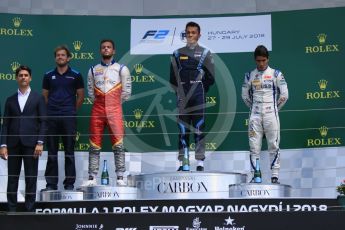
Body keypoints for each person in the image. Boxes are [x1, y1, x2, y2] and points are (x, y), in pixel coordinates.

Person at [82, 39, 131, 186]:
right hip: (97, 109)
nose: (106, 49)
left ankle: (120, 177)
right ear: (100, 50)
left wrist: (113, 103)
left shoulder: (122, 68)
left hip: (115, 109)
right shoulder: (92, 69)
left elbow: (127, 92)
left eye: (109, 47)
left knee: (118, 145)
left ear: (113, 51)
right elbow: (90, 92)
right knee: (94, 144)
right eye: (103, 47)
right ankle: (92, 177)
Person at [0, 65, 47, 212]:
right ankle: (12, 209)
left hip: (32, 144)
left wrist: (40, 142)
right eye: (20, 75)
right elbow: (5, 124)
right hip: (13, 144)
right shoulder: (10, 100)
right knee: (12, 178)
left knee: (31, 178)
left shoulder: (38, 98)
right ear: (16, 78)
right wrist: (3, 145)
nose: (23, 77)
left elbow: (43, 122)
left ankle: (30, 209)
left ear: (30, 78)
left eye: (26, 75)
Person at [170, 21, 215, 172]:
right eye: (188, 32)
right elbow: (172, 78)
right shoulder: (177, 53)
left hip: (198, 96)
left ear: (199, 35)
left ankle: (200, 162)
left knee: (199, 128)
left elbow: (211, 78)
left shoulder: (205, 53)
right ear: (185, 34)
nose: (190, 35)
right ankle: (183, 161)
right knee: (183, 129)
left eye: (193, 32)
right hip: (182, 97)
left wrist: (200, 89)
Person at [241, 45, 289, 184]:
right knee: (254, 146)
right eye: (258, 61)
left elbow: (284, 95)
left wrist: (274, 108)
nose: (261, 64)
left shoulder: (276, 74)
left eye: (263, 60)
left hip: (271, 115)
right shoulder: (249, 75)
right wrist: (255, 108)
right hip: (255, 115)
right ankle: (256, 175)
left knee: (273, 145)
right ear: (255, 60)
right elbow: (245, 96)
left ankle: (275, 176)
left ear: (268, 59)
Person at [42, 45, 84, 191]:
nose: (60, 57)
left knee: (69, 152)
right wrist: (52, 110)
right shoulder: (48, 75)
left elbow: (80, 96)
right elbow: (45, 96)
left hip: (68, 117)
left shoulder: (76, 75)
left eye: (63, 55)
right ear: (55, 58)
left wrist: (71, 110)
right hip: (52, 117)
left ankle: (69, 185)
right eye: (58, 55)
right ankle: (51, 185)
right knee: (52, 152)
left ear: (68, 57)